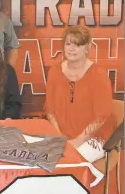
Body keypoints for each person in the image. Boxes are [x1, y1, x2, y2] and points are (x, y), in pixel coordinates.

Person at [45, 25, 116, 163]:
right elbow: (50, 111)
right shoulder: (54, 72)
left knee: (69, 160)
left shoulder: (99, 75)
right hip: (61, 135)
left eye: (78, 45)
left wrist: (77, 142)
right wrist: (60, 138)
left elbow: (101, 117)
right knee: (43, 159)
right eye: (68, 44)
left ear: (87, 48)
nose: (71, 49)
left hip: (95, 137)